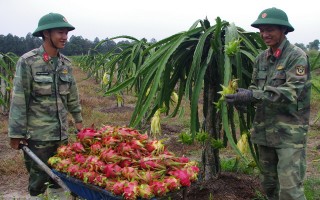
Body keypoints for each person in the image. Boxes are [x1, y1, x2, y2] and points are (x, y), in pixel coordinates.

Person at [225, 7, 311, 200]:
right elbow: (256, 87)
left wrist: (252, 96)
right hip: (265, 131)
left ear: (283, 30)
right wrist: (241, 99)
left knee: (289, 190)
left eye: (270, 29)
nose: (265, 34)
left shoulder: (297, 57)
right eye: (262, 30)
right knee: (269, 186)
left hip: (289, 134)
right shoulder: (261, 59)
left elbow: (292, 92)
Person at [8, 13, 83, 198]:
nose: (65, 37)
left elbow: (73, 97)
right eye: (60, 32)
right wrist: (16, 134)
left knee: (62, 178)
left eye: (66, 32)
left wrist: (79, 123)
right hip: (37, 138)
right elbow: (19, 99)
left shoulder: (66, 64)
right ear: (46, 34)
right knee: (38, 183)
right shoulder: (28, 62)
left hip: (62, 137)